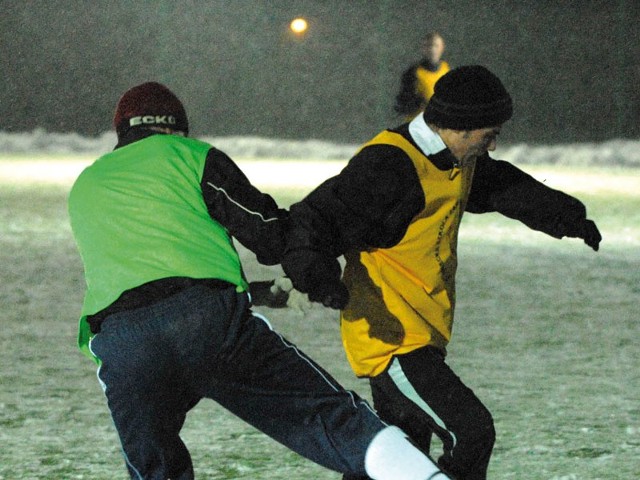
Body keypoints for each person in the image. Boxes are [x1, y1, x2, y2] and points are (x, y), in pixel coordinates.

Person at [68, 82, 450, 480]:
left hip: (123, 345)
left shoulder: (85, 185)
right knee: (333, 420)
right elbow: (268, 234)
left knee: (156, 471)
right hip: (209, 324)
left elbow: (147, 288)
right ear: (177, 128)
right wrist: (310, 262)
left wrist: (264, 293)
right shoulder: (193, 156)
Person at [281, 66, 602, 480]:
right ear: (461, 128)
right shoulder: (390, 165)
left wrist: (567, 217)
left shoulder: (457, 158)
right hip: (393, 338)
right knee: (471, 432)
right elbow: (317, 218)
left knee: (396, 455)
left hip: (423, 331)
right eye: (489, 134)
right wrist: (316, 275)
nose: (492, 144)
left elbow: (504, 187)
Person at [394, 32, 451, 121]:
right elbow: (401, 105)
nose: (433, 50)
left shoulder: (446, 70)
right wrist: (419, 102)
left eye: (436, 46)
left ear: (442, 48)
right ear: (423, 49)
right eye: (429, 46)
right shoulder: (413, 73)